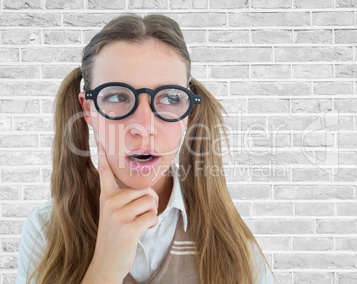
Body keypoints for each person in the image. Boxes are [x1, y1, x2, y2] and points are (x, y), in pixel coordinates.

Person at [17, 14, 273, 284]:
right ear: (88, 108)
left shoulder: (234, 245)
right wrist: (104, 269)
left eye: (170, 98)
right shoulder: (45, 230)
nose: (143, 126)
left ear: (187, 112)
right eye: (117, 97)